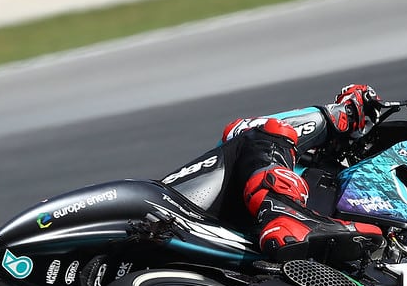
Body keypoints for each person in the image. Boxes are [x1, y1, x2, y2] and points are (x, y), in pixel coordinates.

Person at [160, 84, 386, 263]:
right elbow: (239, 130)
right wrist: (337, 116)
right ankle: (283, 212)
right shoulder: (264, 147)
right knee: (270, 131)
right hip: (176, 203)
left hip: (193, 259)